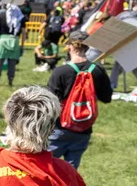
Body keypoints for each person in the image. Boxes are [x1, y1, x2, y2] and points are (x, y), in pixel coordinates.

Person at [46, 31, 113, 169]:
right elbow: (106, 98)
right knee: (70, 172)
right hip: (83, 128)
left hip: (59, 128)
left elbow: (49, 104)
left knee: (46, 168)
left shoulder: (61, 71)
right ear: (87, 47)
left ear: (69, 46)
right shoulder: (98, 70)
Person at [0, 3, 24, 87]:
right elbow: (24, 32)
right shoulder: (20, 16)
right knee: (12, 62)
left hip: (2, 40)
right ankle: (10, 81)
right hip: (14, 41)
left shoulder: (2, 14)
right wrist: (22, 45)